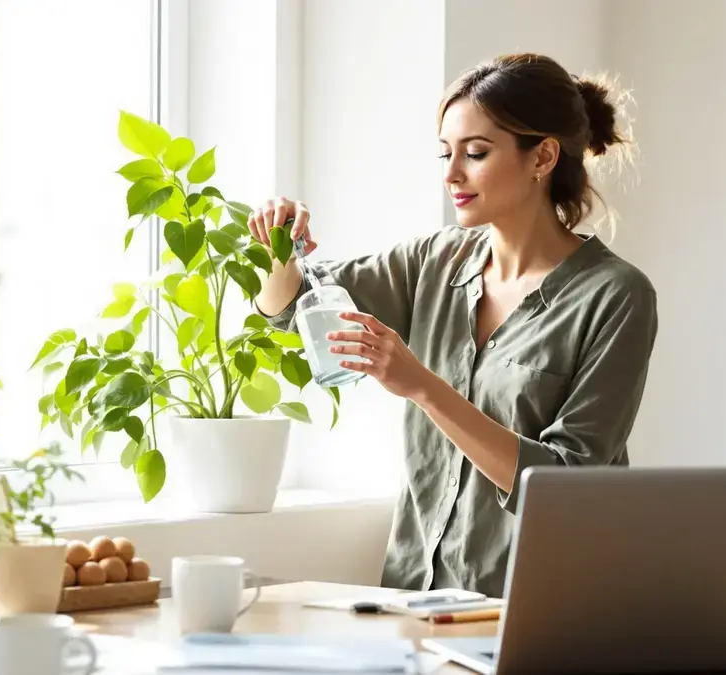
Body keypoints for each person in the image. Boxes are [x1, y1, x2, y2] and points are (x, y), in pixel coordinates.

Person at [249, 53, 658, 599]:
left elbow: (566, 484)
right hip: (417, 596)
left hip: (542, 603)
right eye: (445, 153)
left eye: (476, 153)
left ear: (542, 156)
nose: (451, 174)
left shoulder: (615, 294)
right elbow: (291, 310)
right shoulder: (434, 261)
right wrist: (278, 246)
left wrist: (422, 387)